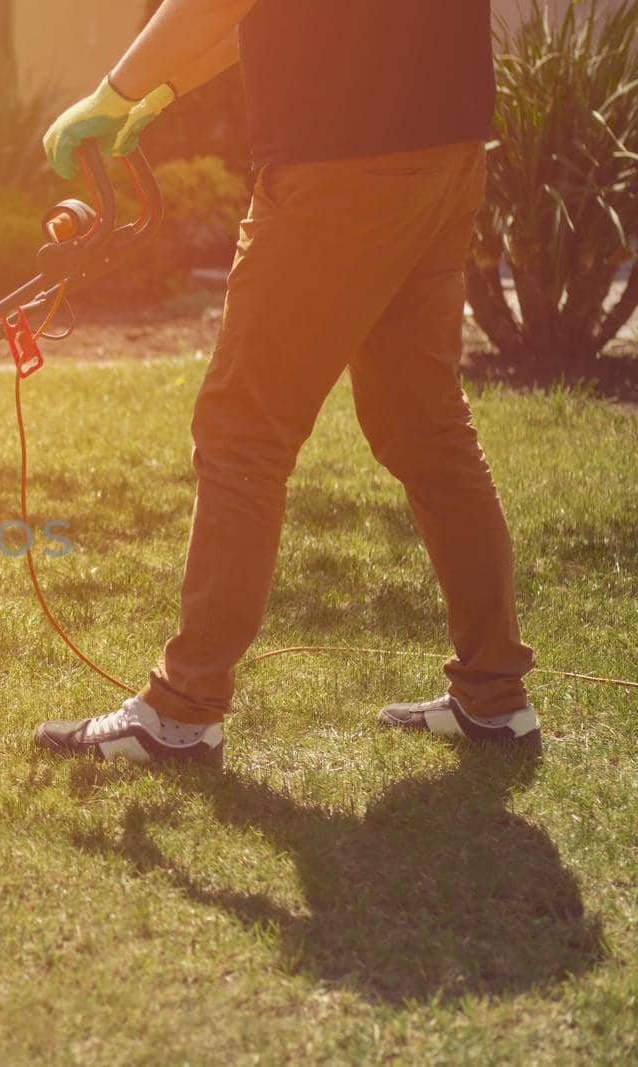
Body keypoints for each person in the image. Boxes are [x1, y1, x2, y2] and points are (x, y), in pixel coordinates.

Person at [32, 0, 541, 768]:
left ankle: (181, 711)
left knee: (244, 430)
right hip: (443, 149)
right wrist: (160, 92)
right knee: (426, 425)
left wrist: (115, 90)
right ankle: (496, 697)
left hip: (340, 162)